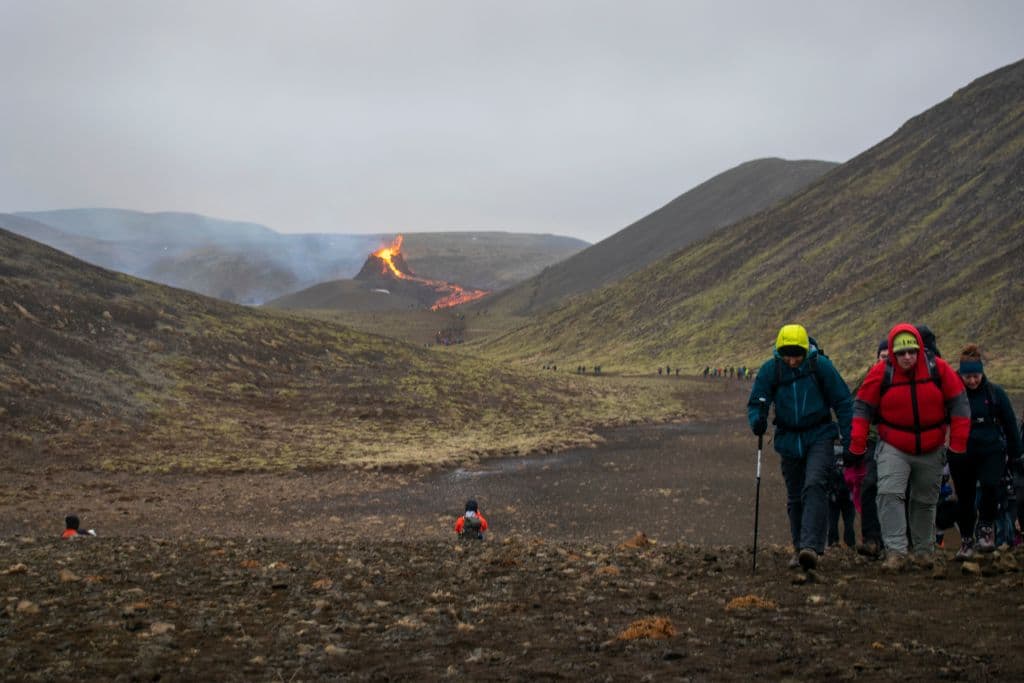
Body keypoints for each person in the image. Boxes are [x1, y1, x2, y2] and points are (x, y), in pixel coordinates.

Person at [847, 324, 969, 572]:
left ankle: (924, 551)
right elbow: (862, 406)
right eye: (901, 353)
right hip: (893, 444)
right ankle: (896, 552)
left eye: (912, 351)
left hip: (931, 446)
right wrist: (857, 444)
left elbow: (959, 403)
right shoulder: (882, 372)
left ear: (919, 350)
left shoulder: (939, 369)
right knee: (889, 493)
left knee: (925, 500)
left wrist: (957, 444)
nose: (907, 357)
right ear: (893, 352)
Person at [747, 324, 853, 571]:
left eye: (797, 355)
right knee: (795, 496)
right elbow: (756, 402)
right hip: (788, 438)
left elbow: (843, 402)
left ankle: (810, 547)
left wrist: (849, 439)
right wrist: (757, 421)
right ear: (779, 351)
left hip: (820, 435)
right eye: (787, 355)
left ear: (806, 350)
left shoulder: (821, 366)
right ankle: (799, 548)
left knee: (815, 484)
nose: (792, 360)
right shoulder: (771, 370)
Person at [946, 343, 1020, 560]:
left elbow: (1010, 424)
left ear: (982, 372)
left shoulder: (995, 393)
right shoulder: (953, 396)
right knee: (965, 498)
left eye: (976, 375)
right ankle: (967, 540)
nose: (972, 381)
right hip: (961, 453)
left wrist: (1018, 454)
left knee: (990, 487)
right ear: (961, 374)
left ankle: (986, 528)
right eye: (967, 376)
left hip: (991, 451)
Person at [844, 338, 888, 559]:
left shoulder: (901, 378)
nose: (886, 360)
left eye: (890, 357)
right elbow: (855, 403)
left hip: (895, 439)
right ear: (877, 357)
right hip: (872, 439)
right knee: (870, 483)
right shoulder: (869, 378)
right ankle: (871, 538)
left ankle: (896, 540)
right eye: (883, 356)